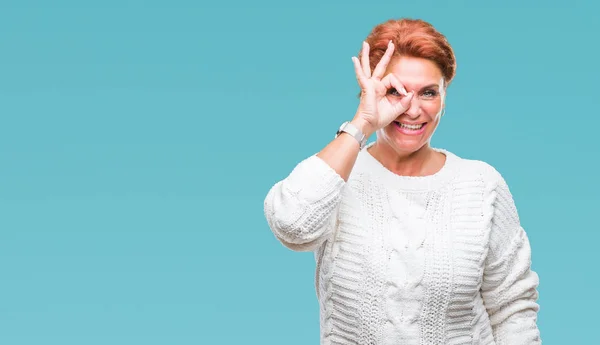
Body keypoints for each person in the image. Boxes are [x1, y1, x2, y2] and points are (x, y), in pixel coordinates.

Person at [263, 18, 541, 345]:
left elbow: (512, 307)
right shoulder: (337, 174)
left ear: (444, 96)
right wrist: (362, 124)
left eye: (428, 93)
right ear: (373, 92)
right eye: (397, 91)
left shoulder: (481, 185)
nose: (412, 110)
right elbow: (292, 226)